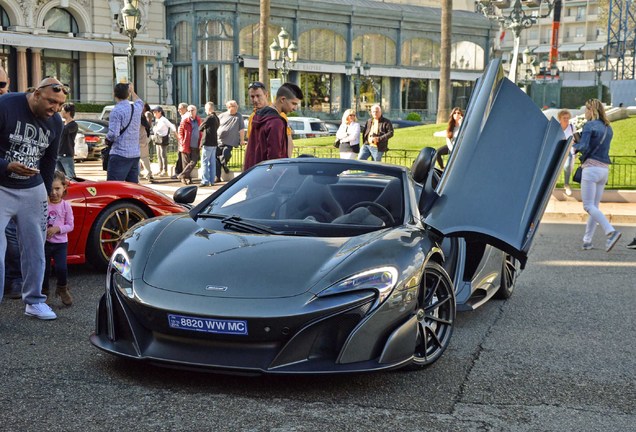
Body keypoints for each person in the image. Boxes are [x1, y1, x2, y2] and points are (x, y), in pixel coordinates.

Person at [0, 77, 67, 320]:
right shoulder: (6, 105)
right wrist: (7, 166)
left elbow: (50, 158)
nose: (55, 108)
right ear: (36, 94)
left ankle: (34, 301)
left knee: (35, 249)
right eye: (51, 102)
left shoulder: (55, 121)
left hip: (33, 188)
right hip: (2, 185)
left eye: (60, 105)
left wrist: (47, 190)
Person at [573, 98, 621, 252]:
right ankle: (587, 241)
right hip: (603, 171)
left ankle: (611, 232)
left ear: (591, 110)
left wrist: (571, 144)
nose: (584, 113)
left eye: (586, 110)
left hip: (591, 169)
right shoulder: (608, 128)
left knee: (588, 206)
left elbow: (584, 146)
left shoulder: (589, 125)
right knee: (594, 207)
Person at [244, 82, 303, 171]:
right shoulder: (277, 122)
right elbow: (275, 156)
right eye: (293, 103)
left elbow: (250, 148)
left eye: (258, 96)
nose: (295, 108)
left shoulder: (256, 116)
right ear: (283, 99)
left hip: (253, 172)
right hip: (267, 176)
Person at [0, 66, 22, 301]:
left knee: (11, 235)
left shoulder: (16, 109)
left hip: (11, 183)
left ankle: (14, 280)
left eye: (1, 85)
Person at [42, 171, 74, 306]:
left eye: (57, 189)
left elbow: (70, 225)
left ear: (64, 188)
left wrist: (57, 229)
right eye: (51, 189)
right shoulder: (44, 204)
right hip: (45, 243)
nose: (54, 192)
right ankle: (44, 292)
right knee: (44, 269)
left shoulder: (66, 205)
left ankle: (62, 288)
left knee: (61, 268)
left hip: (61, 243)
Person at [105, 83, 143, 183]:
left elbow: (113, 134)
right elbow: (140, 102)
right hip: (134, 154)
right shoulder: (136, 108)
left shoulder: (116, 111)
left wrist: (107, 139)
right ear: (128, 94)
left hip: (119, 154)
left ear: (114, 94)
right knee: (132, 188)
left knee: (114, 187)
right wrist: (133, 91)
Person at [216, 100, 245, 182]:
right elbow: (215, 126)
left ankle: (223, 162)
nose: (237, 107)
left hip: (230, 141)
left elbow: (242, 129)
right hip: (219, 140)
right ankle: (217, 176)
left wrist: (242, 140)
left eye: (237, 106)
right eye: (235, 106)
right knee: (216, 159)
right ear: (229, 107)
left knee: (226, 154)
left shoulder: (239, 116)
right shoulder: (221, 116)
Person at [177, 105, 202, 185]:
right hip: (186, 144)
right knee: (186, 162)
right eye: (189, 111)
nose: (191, 112)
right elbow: (180, 132)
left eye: (192, 110)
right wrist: (182, 141)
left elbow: (201, 131)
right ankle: (186, 179)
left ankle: (182, 175)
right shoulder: (185, 121)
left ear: (196, 111)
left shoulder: (199, 120)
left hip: (196, 145)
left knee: (194, 161)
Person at [199, 101, 220, 187]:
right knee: (212, 162)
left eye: (206, 109)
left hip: (207, 142)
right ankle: (212, 180)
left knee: (204, 162)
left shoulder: (209, 117)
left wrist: (204, 127)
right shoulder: (216, 118)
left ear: (208, 108)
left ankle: (205, 181)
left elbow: (200, 127)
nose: (205, 110)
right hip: (214, 143)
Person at [151, 106, 175, 176]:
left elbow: (171, 125)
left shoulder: (164, 119)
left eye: (155, 112)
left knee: (163, 155)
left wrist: (175, 133)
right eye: (153, 112)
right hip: (158, 138)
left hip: (163, 138)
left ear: (160, 112)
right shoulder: (157, 119)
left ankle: (165, 170)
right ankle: (160, 169)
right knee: (158, 154)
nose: (154, 113)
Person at [558, 109, 577, 196]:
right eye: (564, 118)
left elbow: (577, 140)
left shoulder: (572, 127)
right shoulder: (557, 127)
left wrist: (575, 151)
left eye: (567, 118)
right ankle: (551, 185)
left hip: (569, 150)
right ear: (560, 119)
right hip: (558, 149)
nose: (566, 119)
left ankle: (566, 184)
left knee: (567, 166)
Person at [57, 102, 77, 178]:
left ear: (68, 112)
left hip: (67, 155)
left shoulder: (73, 125)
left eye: (62, 110)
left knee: (70, 177)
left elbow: (63, 130)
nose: (61, 112)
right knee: (59, 178)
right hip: (58, 154)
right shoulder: (63, 124)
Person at [172, 102, 190, 179]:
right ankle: (180, 172)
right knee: (180, 157)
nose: (179, 110)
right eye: (178, 108)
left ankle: (180, 173)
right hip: (182, 140)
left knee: (182, 158)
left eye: (180, 108)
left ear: (185, 109)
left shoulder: (186, 117)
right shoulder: (184, 117)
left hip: (184, 141)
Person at [139, 103, 153, 181]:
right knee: (143, 157)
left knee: (142, 157)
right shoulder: (140, 116)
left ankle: (147, 173)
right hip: (141, 139)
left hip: (140, 139)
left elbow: (148, 125)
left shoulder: (142, 115)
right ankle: (147, 173)